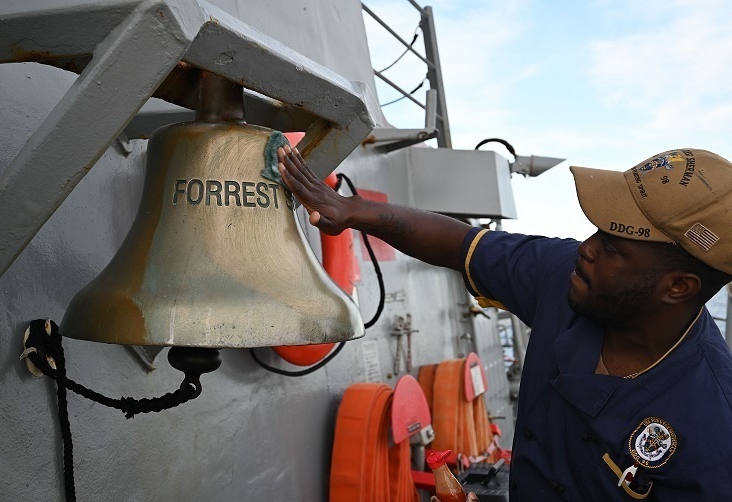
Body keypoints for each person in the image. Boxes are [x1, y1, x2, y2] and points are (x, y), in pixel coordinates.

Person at [278, 145, 732, 500]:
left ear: (678, 287)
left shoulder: (714, 423)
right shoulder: (567, 278)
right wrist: (355, 211)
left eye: (613, 248)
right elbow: (461, 244)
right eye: (596, 232)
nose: (586, 249)